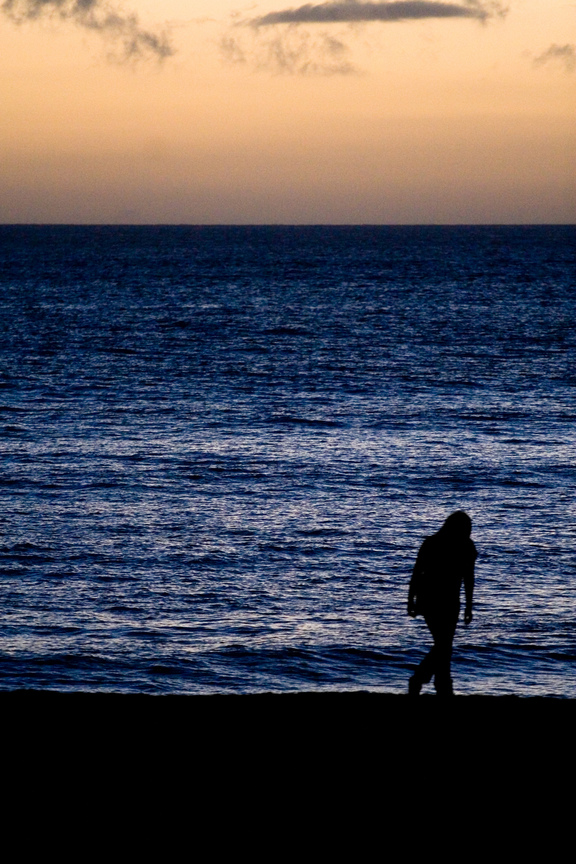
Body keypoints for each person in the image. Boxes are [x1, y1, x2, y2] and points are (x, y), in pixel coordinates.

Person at [407, 510, 476, 696]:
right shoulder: (466, 546)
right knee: (444, 645)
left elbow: (416, 573)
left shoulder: (431, 543)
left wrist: (411, 600)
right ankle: (428, 680)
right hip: (446, 601)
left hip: (430, 599)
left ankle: (439, 683)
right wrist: (469, 607)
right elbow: (469, 579)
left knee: (443, 644)